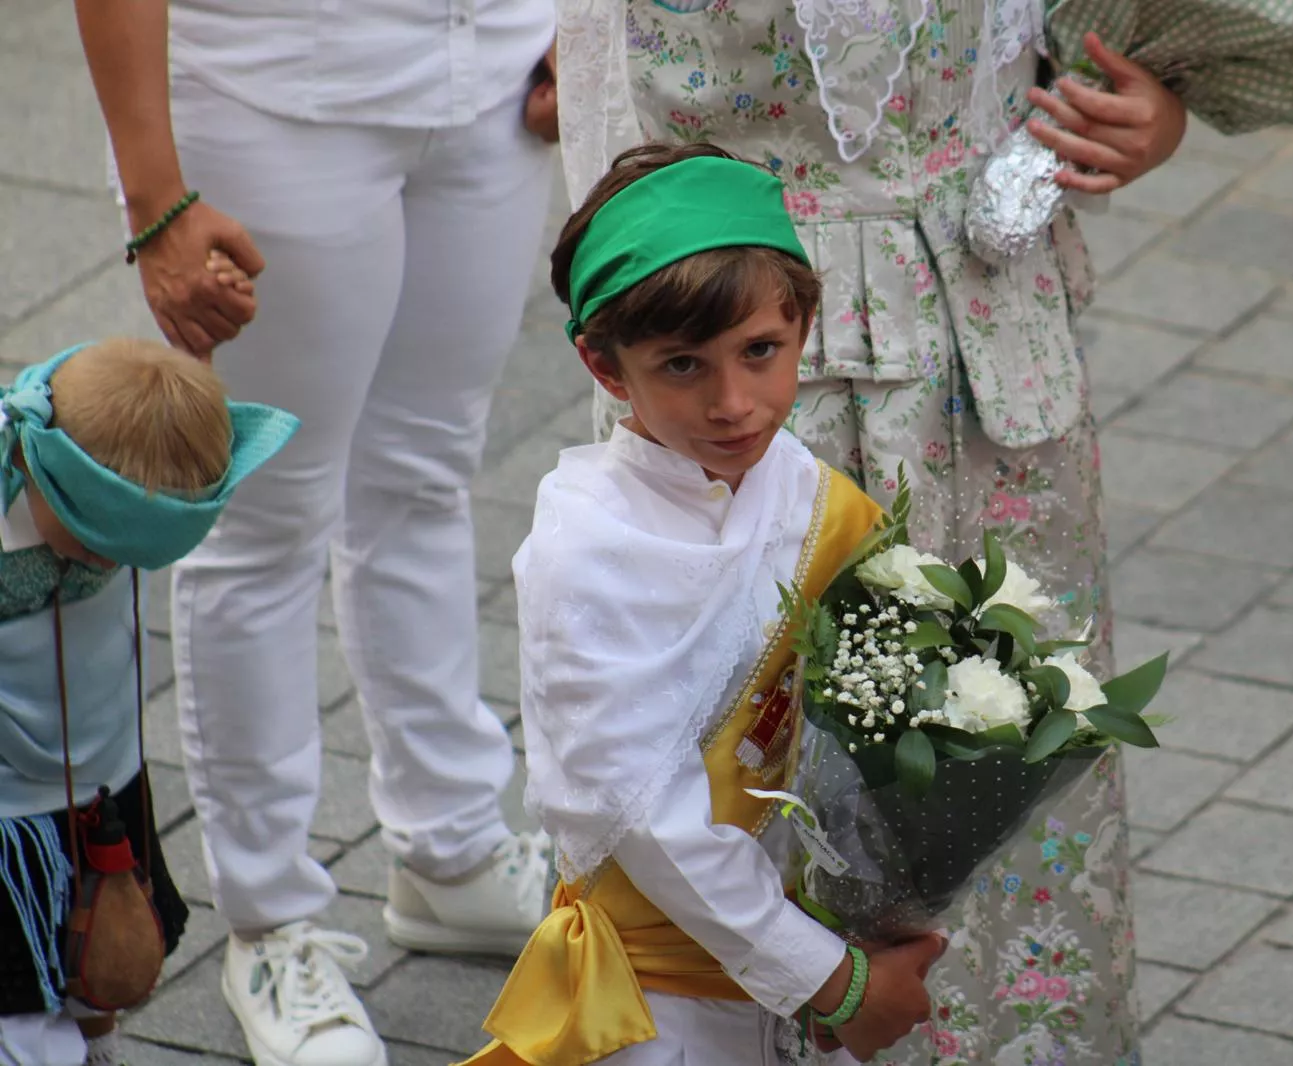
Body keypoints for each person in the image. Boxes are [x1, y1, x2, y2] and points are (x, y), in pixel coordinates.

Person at [553, 1, 1193, 1058]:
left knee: (998, 731)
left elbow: (1091, 37)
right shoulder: (708, 408)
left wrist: (1145, 110)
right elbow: (606, 123)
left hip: (982, 334)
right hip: (746, 350)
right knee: (735, 758)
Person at [71, 1, 563, 1064]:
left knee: (430, 472)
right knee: (265, 516)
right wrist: (155, 195)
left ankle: (451, 846)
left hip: (495, 71)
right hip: (276, 83)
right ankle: (271, 921)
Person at [463, 142, 945, 1066]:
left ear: (804, 323)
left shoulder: (811, 495)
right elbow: (645, 814)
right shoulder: (588, 549)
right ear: (606, 368)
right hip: (659, 1000)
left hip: (811, 958)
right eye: (682, 366)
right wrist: (831, 982)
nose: (735, 403)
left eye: (761, 352)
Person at [0, 338, 297, 1066]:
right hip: (7, 803)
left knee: (104, 950)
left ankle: (93, 1034)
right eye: (96, 543)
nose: (110, 562)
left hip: (102, 767)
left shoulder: (104, 485)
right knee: (16, 984)